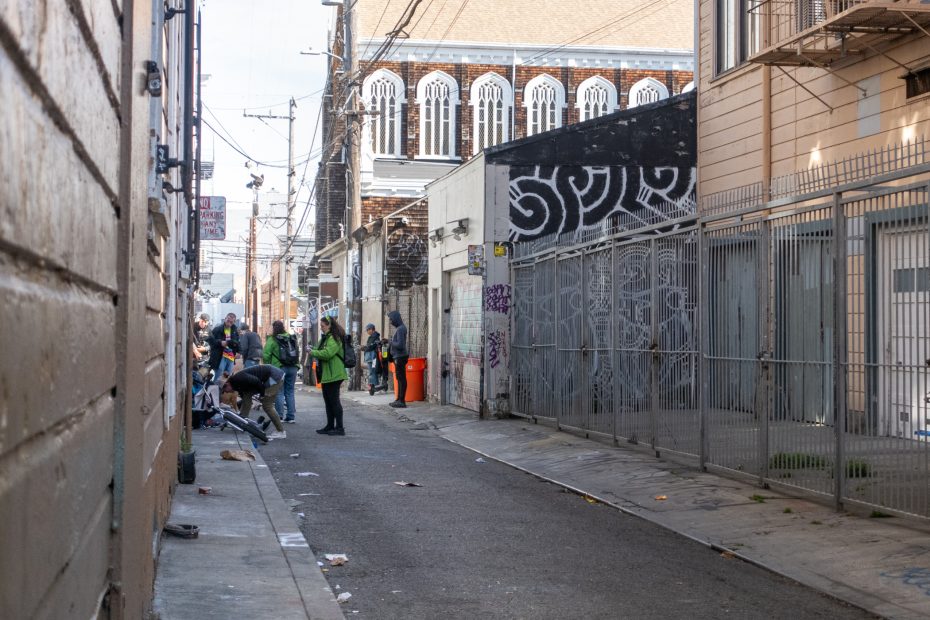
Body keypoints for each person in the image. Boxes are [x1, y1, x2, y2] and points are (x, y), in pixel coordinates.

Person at [221, 364, 286, 439]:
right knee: (246, 395)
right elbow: (245, 395)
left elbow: (257, 381)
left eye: (225, 391)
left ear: (227, 384)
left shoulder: (239, 378)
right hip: (269, 376)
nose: (227, 392)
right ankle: (242, 420)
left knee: (267, 405)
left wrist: (262, 395)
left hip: (274, 376)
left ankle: (281, 431)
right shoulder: (236, 384)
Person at [310, 316, 348, 435]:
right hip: (327, 374)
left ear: (329, 325)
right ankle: (330, 425)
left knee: (334, 401)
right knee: (328, 401)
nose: (321, 328)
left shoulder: (334, 338)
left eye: (322, 326)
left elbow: (327, 354)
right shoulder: (326, 338)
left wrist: (312, 352)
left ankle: (340, 428)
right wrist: (312, 349)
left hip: (335, 374)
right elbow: (318, 350)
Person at [263, 320, 299, 423]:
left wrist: (268, 366)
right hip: (293, 367)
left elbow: (266, 355)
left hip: (279, 368)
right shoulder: (290, 337)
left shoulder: (272, 339)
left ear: (274, 328)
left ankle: (279, 416)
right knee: (290, 391)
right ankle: (291, 416)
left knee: (279, 392)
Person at [208, 313, 239, 379]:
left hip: (230, 356)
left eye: (231, 322)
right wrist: (220, 342)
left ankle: (222, 388)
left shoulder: (234, 330)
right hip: (219, 356)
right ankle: (216, 388)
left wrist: (239, 352)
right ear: (225, 319)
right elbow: (210, 341)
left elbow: (238, 342)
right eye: (228, 320)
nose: (229, 323)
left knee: (227, 377)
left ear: (234, 322)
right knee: (218, 376)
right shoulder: (217, 329)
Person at [387, 310, 408, 408]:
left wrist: (391, 342)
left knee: (401, 379)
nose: (391, 322)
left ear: (396, 319)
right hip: (398, 357)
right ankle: (399, 399)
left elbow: (400, 345)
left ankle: (401, 400)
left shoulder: (400, 329)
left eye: (391, 319)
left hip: (399, 357)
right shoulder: (401, 328)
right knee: (399, 378)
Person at [363, 323, 387, 396]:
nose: (367, 331)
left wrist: (364, 348)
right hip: (370, 357)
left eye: (368, 330)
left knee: (372, 372)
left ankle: (375, 387)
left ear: (371, 329)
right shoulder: (372, 337)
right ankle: (374, 388)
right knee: (372, 372)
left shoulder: (375, 337)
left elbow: (371, 347)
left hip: (372, 357)